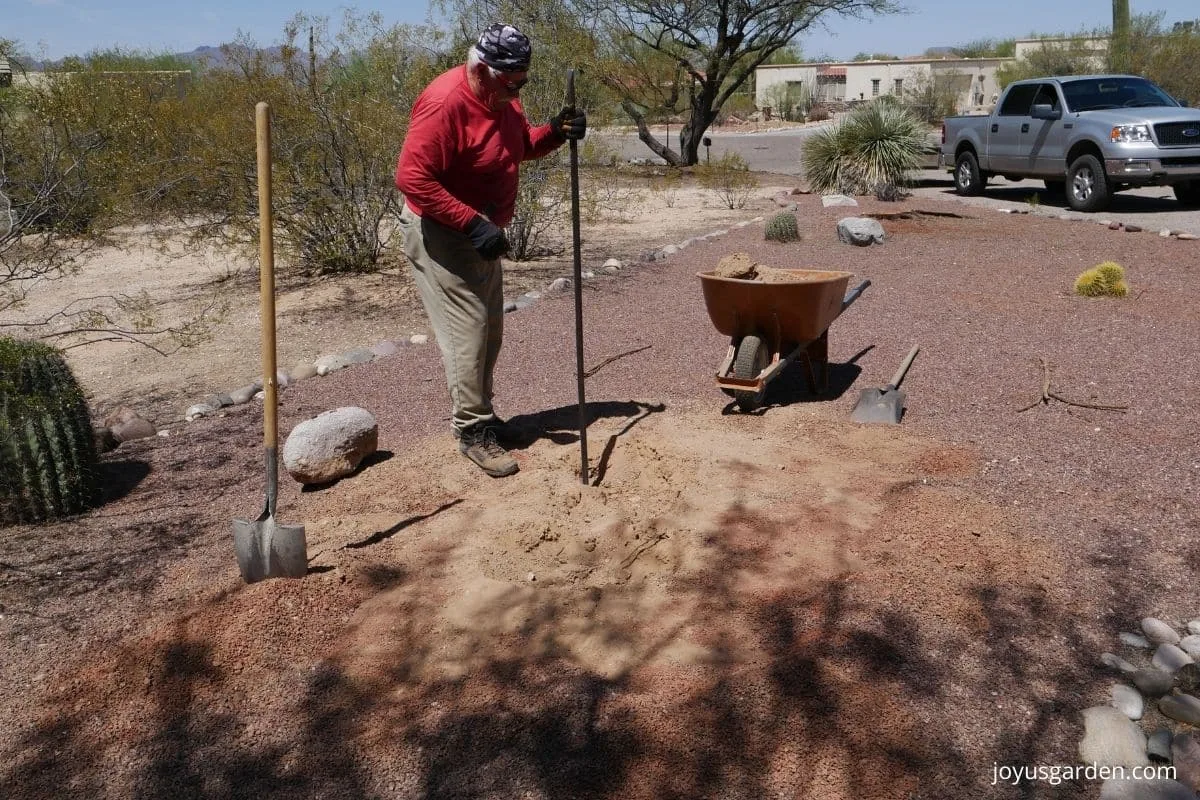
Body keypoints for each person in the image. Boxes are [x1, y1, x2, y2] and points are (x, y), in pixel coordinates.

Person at [395, 23, 586, 478]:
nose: (516, 90)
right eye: (509, 82)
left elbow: (517, 148)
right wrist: (470, 222)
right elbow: (411, 178)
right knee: (470, 332)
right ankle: (471, 431)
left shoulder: (503, 97)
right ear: (481, 68)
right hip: (441, 232)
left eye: (522, 82)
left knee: (492, 329)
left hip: (479, 231)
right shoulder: (445, 103)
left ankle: (483, 417)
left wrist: (556, 132)